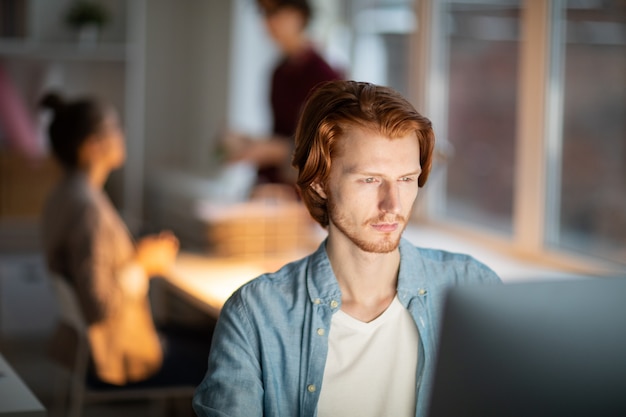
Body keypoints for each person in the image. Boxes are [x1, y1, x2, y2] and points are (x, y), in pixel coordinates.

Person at [193, 80, 502, 417]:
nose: (393, 204)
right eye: (370, 180)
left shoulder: (473, 288)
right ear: (319, 182)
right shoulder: (256, 314)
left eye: (406, 179)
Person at [40, 92, 210, 388]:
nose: (123, 134)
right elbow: (98, 306)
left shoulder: (65, 194)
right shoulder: (88, 210)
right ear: (92, 146)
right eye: (115, 128)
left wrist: (138, 256)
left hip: (89, 350)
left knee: (212, 335)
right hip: (114, 359)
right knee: (229, 354)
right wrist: (142, 266)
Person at [225, 0, 343, 188]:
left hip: (304, 192)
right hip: (272, 188)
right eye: (264, 15)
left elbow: (329, 148)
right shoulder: (279, 72)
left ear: (298, 16)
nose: (266, 24)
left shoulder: (326, 76)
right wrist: (250, 142)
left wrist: (274, 151)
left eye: (274, 14)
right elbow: (283, 132)